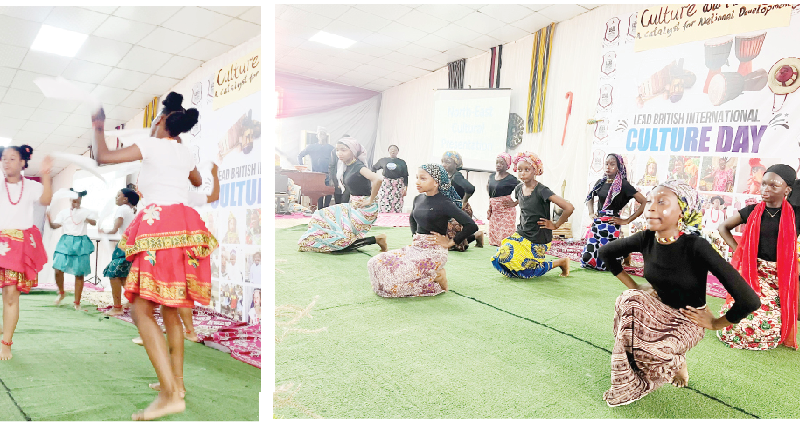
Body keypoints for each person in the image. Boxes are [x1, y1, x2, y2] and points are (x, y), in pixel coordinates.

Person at [93, 92, 217, 420]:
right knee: (172, 310)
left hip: (157, 224)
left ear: (161, 121)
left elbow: (103, 155)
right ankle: (177, 384)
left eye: (154, 121)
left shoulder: (152, 145)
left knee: (141, 309)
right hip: (183, 224)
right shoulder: (184, 151)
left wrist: (98, 125)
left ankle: (169, 394)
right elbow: (197, 181)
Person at [598, 180, 760, 407]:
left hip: (689, 319)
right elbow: (605, 253)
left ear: (682, 211)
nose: (650, 207)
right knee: (628, 300)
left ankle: (677, 362)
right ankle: (630, 378)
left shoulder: (696, 246)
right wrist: (635, 287)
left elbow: (749, 300)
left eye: (661, 202)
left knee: (652, 351)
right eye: (650, 200)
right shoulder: (646, 238)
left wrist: (715, 323)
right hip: (658, 309)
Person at [717, 164, 800, 350]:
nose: (765, 189)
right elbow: (723, 228)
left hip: (781, 277)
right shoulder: (751, 211)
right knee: (738, 321)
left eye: (773, 185)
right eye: (763, 184)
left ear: (787, 189)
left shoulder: (797, 215)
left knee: (766, 324)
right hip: (753, 272)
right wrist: (741, 251)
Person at [368, 163, 478, 297]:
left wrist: (451, 242)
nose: (417, 182)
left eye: (423, 178)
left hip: (434, 252)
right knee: (374, 262)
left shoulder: (445, 203)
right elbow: (412, 219)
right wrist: (415, 235)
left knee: (391, 286)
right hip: (416, 248)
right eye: (417, 178)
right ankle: (431, 276)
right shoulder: (418, 199)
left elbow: (471, 225)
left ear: (436, 182)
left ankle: (437, 278)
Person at [0, 145, 52, 360]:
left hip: (18, 245)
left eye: (12, 158)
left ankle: (6, 343)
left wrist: (46, 175)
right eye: (4, 158)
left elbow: (46, 200)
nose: (6, 162)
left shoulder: (30, 186)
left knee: (11, 296)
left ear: (23, 162)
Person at [298, 137, 388, 253]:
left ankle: (378, 239)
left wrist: (370, 200)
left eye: (343, 150)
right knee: (321, 215)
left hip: (365, 208)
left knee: (340, 243)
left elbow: (378, 179)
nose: (339, 153)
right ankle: (375, 239)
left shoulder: (359, 166)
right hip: (353, 206)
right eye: (337, 150)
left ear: (353, 151)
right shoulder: (347, 166)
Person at [491, 152, 572, 278]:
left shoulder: (542, 190)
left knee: (526, 273)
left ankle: (561, 262)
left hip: (538, 237)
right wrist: (513, 204)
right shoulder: (518, 188)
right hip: (522, 233)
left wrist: (555, 225)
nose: (522, 173)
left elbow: (569, 208)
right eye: (519, 170)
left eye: (527, 169)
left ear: (535, 170)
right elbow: (523, 201)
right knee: (501, 256)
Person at [582, 154, 646, 271]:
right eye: (606, 163)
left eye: (612, 164)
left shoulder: (623, 185)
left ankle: (623, 255)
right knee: (587, 259)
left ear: (618, 167)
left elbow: (644, 202)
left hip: (611, 224)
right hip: (598, 223)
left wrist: (627, 220)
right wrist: (591, 213)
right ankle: (623, 253)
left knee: (606, 264)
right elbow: (590, 197)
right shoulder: (600, 182)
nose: (608, 167)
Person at [47, 189, 98, 310]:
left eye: (78, 198)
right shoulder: (64, 212)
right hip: (65, 242)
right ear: (70, 198)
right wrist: (49, 220)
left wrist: (87, 218)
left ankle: (77, 302)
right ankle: (61, 292)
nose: (75, 200)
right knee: (57, 269)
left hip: (80, 242)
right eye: (73, 198)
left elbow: (94, 222)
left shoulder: (86, 211)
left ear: (80, 199)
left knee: (79, 273)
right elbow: (55, 226)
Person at [101, 188, 140, 316]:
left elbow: (114, 229)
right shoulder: (130, 210)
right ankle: (134, 303)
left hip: (125, 246)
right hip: (130, 245)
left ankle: (117, 308)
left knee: (114, 274)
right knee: (123, 276)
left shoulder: (122, 209)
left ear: (125, 199)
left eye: (118, 196)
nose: (116, 198)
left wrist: (103, 231)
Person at [441, 151, 483, 251]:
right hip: (451, 209)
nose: (443, 165)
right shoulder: (447, 176)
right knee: (450, 241)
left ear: (456, 164)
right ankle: (477, 235)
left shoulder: (457, 176)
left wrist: (463, 202)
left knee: (457, 245)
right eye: (442, 162)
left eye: (447, 162)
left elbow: (470, 188)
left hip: (460, 210)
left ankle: (477, 235)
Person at [487, 152, 519, 247]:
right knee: (495, 239)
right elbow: (489, 189)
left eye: (501, 163)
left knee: (505, 238)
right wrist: (490, 204)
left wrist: (515, 203)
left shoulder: (511, 179)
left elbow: (525, 189)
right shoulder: (491, 176)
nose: (498, 165)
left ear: (507, 165)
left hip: (506, 211)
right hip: (495, 211)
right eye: (497, 162)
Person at [297, 127, 334, 209]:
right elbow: (300, 156)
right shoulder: (311, 147)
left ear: (326, 136)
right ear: (317, 135)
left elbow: (336, 161)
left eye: (323, 133)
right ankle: (320, 212)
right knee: (318, 195)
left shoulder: (331, 148)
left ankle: (326, 210)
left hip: (328, 175)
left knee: (329, 193)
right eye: (320, 133)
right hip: (317, 176)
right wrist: (303, 168)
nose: (321, 135)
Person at [372, 145, 409, 213]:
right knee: (384, 201)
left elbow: (405, 175)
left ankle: (395, 218)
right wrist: (374, 178)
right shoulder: (383, 160)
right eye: (391, 149)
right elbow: (374, 168)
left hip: (398, 185)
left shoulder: (402, 162)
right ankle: (384, 218)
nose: (393, 151)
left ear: (397, 152)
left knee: (397, 202)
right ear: (388, 151)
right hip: (386, 184)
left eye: (395, 149)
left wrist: (405, 188)